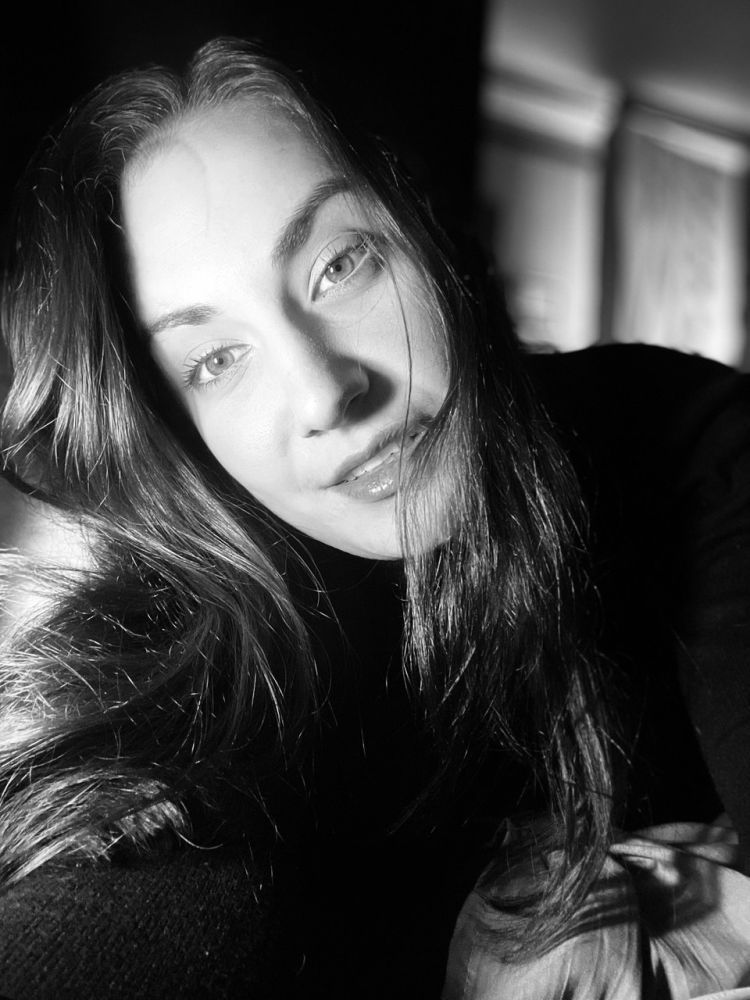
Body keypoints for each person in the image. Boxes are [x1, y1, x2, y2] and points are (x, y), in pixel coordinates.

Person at [0, 36, 749, 999]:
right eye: (215, 361)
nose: (325, 393)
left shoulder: (681, 438)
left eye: (339, 266)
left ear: (426, 231)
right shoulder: (214, 660)